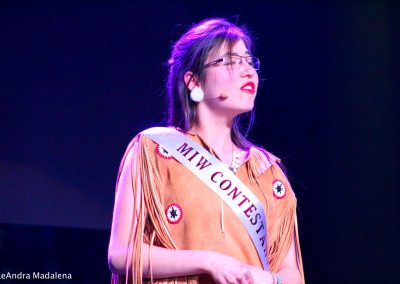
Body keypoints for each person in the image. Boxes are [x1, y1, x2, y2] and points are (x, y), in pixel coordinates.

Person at [108, 18, 304, 284]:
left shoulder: (268, 172)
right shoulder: (152, 151)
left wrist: (265, 280)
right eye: (229, 61)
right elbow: (121, 254)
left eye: (248, 61)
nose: (247, 71)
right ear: (194, 81)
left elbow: (291, 274)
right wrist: (208, 261)